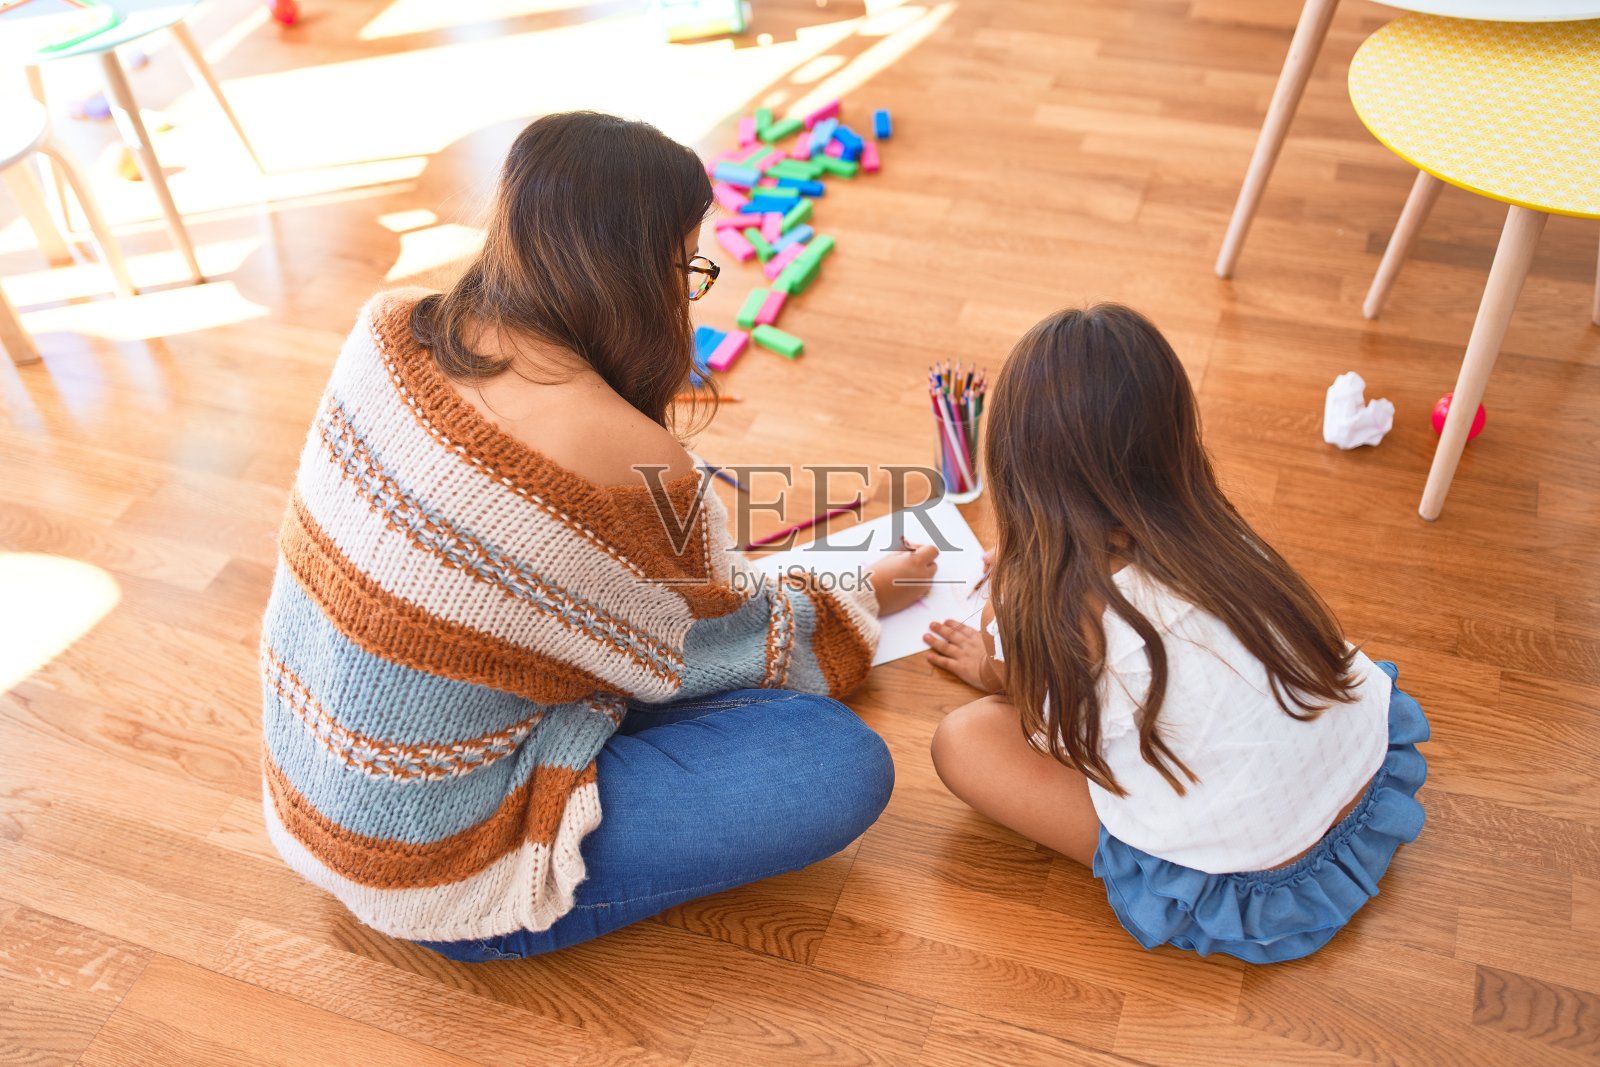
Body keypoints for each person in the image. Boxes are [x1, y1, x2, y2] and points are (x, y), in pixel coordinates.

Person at [258, 111, 937, 960]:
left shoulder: (392, 328)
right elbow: (717, 646)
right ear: (640, 271)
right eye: (687, 265)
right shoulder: (622, 450)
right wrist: (858, 593)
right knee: (833, 762)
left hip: (315, 798)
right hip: (447, 870)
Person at [922, 304, 1427, 963]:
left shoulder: (1058, 617)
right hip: (1360, 778)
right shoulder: (1222, 534)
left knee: (961, 741)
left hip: (1256, 881)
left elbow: (1057, 741)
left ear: (1022, 481)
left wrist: (1001, 655)